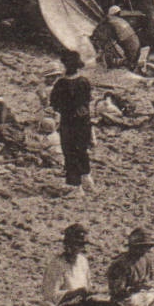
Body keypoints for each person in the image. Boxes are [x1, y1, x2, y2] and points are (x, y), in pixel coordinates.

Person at [48, 50, 95, 198]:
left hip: (69, 122)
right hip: (84, 122)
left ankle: (75, 187)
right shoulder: (84, 82)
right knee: (82, 151)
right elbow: (87, 102)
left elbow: (54, 102)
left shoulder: (62, 83)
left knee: (70, 153)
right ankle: (87, 180)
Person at [42, 223, 92, 306]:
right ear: (68, 244)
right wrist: (75, 293)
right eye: (78, 244)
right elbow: (50, 297)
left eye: (83, 245)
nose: (82, 248)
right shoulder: (57, 265)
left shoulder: (83, 262)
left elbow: (88, 287)